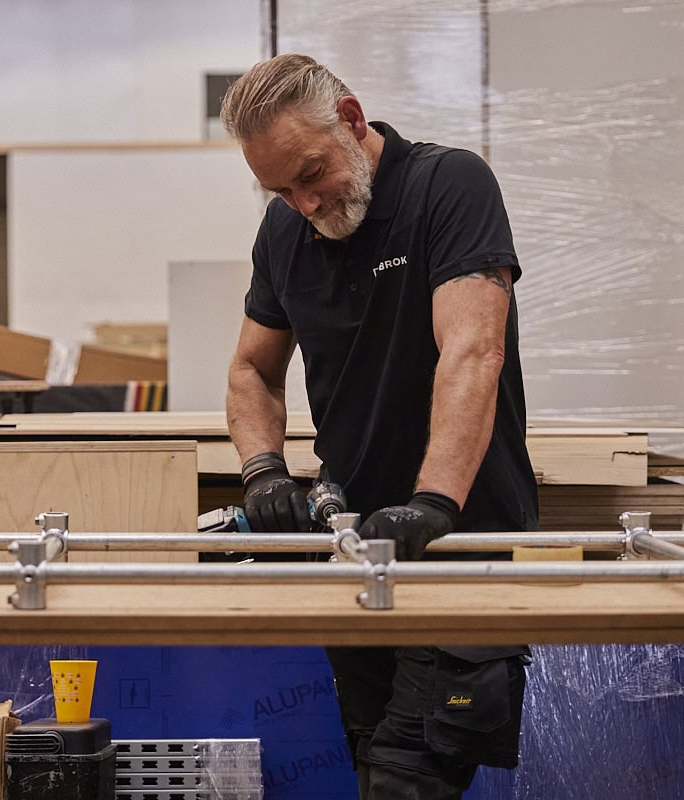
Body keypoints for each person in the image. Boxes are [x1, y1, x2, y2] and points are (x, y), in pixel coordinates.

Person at [220, 53, 539, 799]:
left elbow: (473, 349)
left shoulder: (447, 186)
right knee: (372, 759)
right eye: (281, 189)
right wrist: (263, 467)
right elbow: (251, 371)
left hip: (461, 545)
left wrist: (433, 503)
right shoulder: (283, 234)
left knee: (405, 778)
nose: (304, 202)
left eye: (311, 173)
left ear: (353, 121)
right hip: (357, 554)